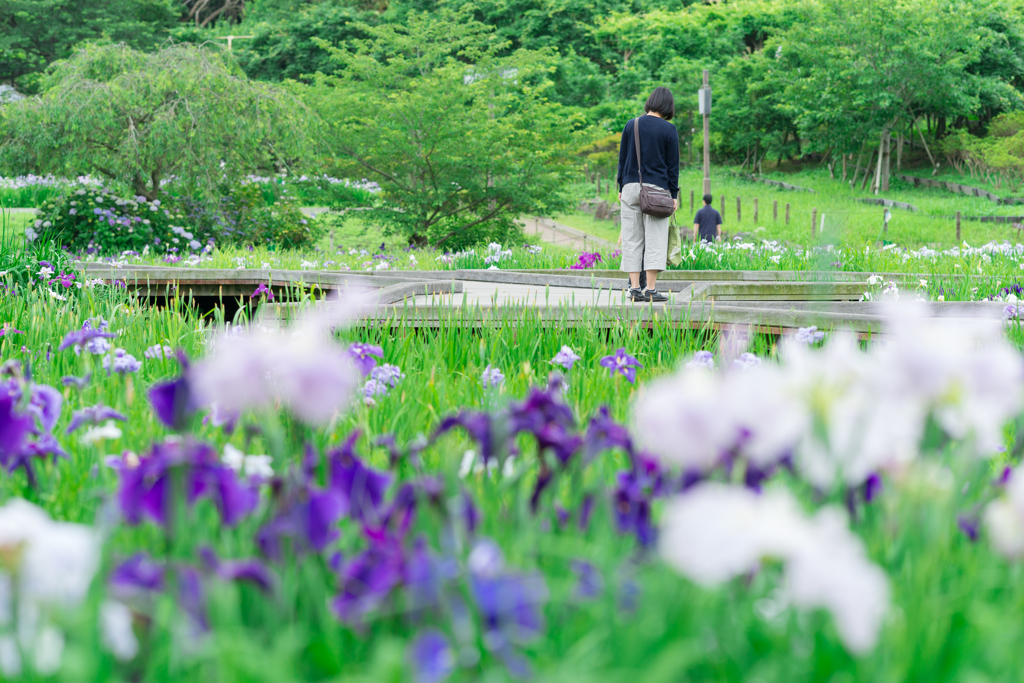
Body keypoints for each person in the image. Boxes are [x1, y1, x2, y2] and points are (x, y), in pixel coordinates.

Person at [617, 86, 680, 303]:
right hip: (657, 190)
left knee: (632, 238)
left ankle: (634, 289)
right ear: (668, 106)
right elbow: (673, 166)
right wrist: (674, 194)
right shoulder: (669, 130)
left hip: (630, 187)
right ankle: (650, 290)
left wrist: (620, 186)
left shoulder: (631, 124)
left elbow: (623, 158)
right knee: (655, 239)